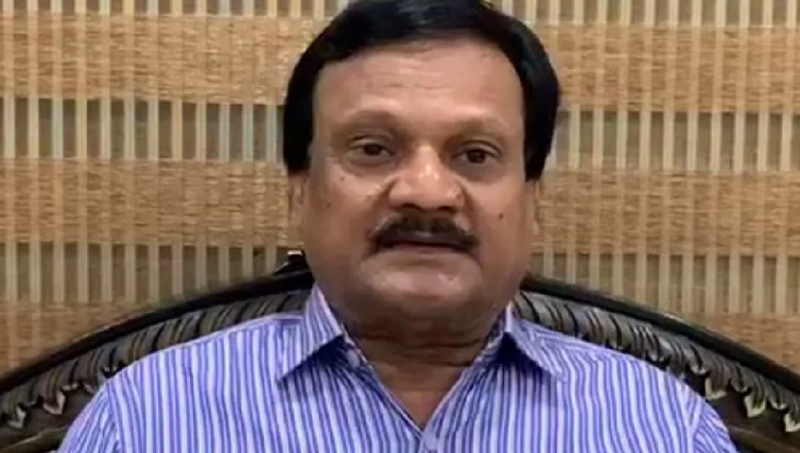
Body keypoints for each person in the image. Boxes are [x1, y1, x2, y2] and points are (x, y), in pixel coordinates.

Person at [58, 0, 737, 451]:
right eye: (373, 149)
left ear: (533, 199)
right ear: (300, 190)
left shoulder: (661, 427)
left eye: (475, 155)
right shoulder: (145, 420)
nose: (427, 192)